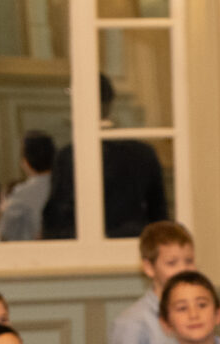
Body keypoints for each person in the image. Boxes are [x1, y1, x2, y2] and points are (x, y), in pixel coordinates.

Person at [44, 75, 170, 241]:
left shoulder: (68, 157)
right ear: (111, 102)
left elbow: (55, 221)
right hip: (133, 243)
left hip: (91, 247)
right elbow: (159, 216)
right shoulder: (143, 152)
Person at [109, 223, 198, 344]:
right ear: (149, 268)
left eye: (189, 261)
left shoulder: (198, 313)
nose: (183, 270)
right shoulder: (132, 322)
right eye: (172, 263)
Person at [0, 131, 56, 243]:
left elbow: (5, 233)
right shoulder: (63, 186)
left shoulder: (22, 194)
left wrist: (3, 211)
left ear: (25, 162)